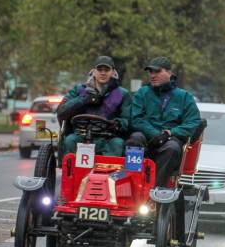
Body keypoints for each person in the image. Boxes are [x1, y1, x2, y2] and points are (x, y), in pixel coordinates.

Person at [128, 56, 201, 187]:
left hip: (170, 141)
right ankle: (131, 185)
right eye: (150, 72)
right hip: (147, 139)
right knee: (135, 140)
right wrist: (155, 134)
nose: (153, 75)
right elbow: (136, 119)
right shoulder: (142, 93)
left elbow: (193, 123)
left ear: (169, 72)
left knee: (172, 148)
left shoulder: (184, 97)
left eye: (157, 71)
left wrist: (169, 133)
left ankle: (155, 191)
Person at [57, 56, 131, 157]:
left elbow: (127, 120)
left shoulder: (123, 94)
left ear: (113, 72)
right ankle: (71, 171)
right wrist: (84, 100)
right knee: (69, 140)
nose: (103, 73)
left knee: (118, 144)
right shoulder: (79, 90)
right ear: (93, 71)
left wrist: (117, 123)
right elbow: (61, 111)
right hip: (80, 135)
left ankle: (110, 172)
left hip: (108, 137)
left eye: (106, 70)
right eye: (99, 69)